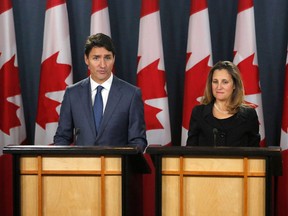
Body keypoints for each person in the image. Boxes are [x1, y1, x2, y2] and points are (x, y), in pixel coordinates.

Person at [54, 33, 147, 152]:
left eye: (107, 57)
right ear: (86, 59)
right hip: (82, 168)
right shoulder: (72, 94)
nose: (102, 65)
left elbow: (138, 141)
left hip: (117, 168)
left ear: (114, 58)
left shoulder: (131, 94)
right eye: (96, 58)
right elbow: (62, 138)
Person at [186, 61, 260, 147]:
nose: (219, 87)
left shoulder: (249, 115)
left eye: (225, 82)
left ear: (234, 85)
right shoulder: (198, 112)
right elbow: (190, 153)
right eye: (215, 81)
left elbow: (255, 155)